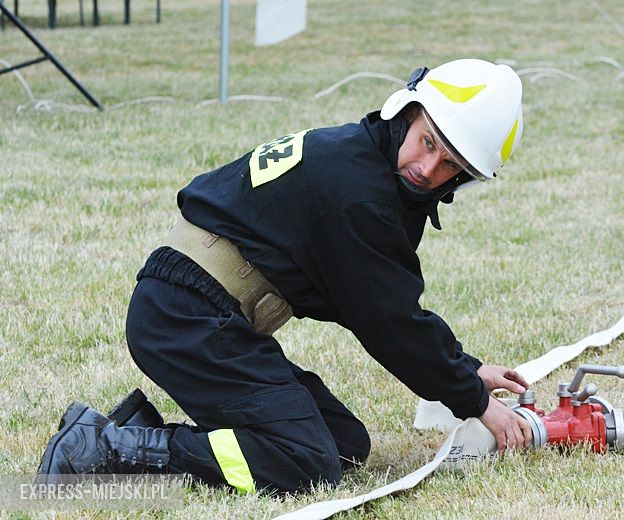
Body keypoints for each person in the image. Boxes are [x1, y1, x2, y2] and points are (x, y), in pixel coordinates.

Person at [36, 58, 532, 494]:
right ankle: (107, 449)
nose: (427, 168)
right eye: (428, 143)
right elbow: (389, 322)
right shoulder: (359, 194)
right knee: (304, 461)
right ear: (407, 113)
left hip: (200, 311)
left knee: (343, 445)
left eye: (449, 165)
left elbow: (378, 302)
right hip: (186, 318)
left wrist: (464, 370)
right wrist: (473, 399)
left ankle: (130, 432)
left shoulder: (359, 159)